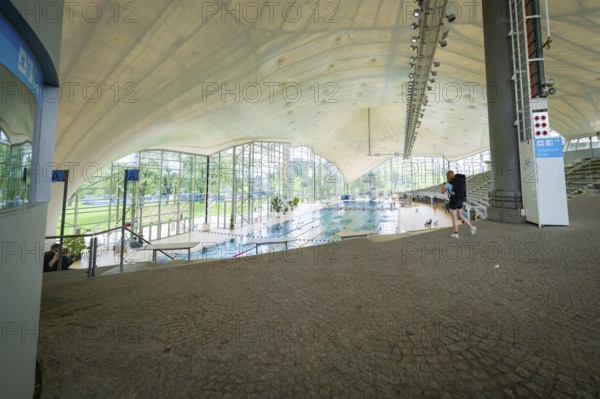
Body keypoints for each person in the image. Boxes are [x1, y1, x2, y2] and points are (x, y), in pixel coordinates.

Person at [441, 170, 476, 239]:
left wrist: (442, 185)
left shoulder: (448, 184)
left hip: (453, 201)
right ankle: (471, 227)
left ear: (447, 176)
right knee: (460, 215)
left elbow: (442, 191)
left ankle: (456, 234)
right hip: (460, 200)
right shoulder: (458, 182)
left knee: (454, 218)